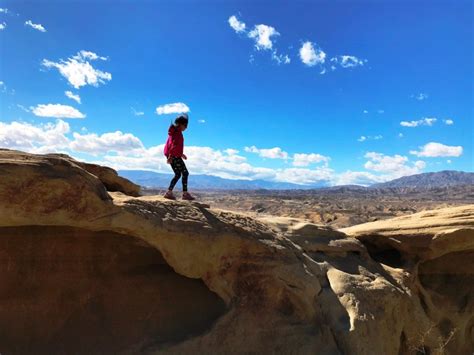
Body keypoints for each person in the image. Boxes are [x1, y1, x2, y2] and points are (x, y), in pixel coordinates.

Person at [163, 113, 195, 200]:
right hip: (173, 156)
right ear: (180, 124)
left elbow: (175, 146)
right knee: (185, 173)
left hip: (174, 155)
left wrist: (181, 154)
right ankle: (184, 194)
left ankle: (169, 192)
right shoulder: (177, 133)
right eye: (185, 125)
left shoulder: (175, 132)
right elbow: (173, 145)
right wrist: (171, 156)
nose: (186, 127)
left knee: (178, 174)